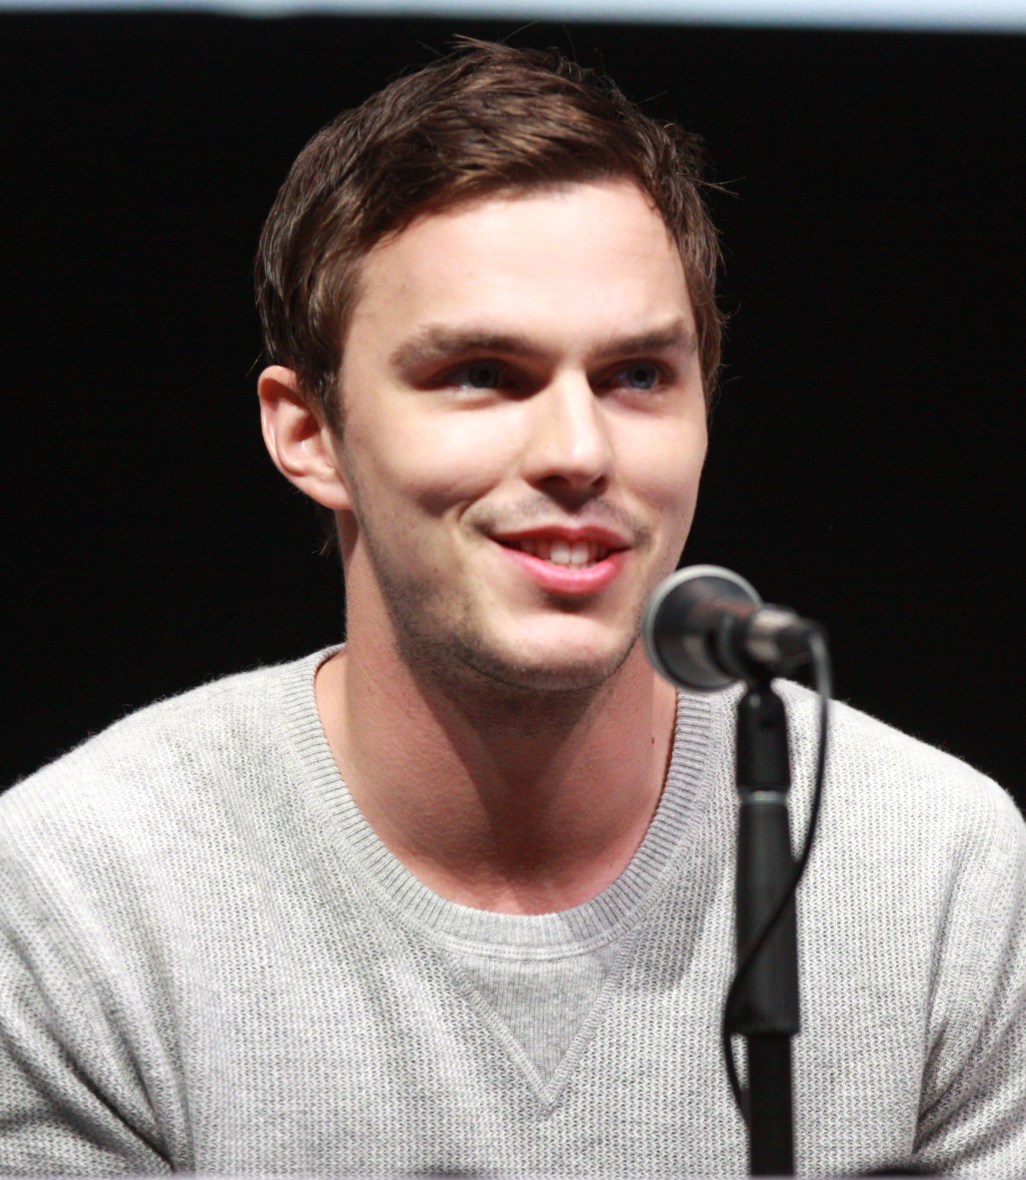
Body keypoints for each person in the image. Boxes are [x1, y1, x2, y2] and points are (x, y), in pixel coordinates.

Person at [2, 38, 1024, 1177]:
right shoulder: (81, 900)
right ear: (309, 433)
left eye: (638, 375)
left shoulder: (938, 872)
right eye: (482, 373)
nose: (578, 451)